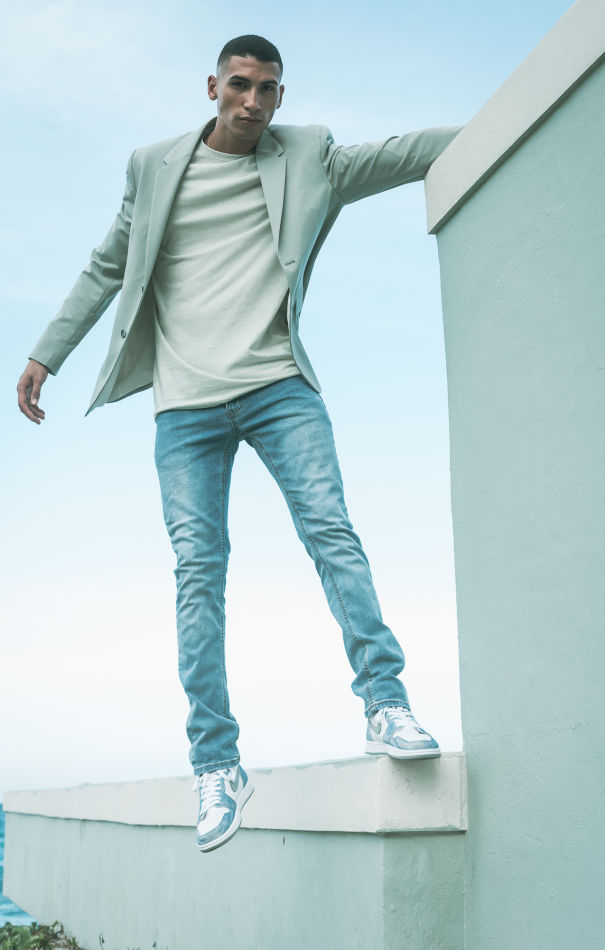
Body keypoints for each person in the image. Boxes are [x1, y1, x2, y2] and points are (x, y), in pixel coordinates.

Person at [17, 35, 461, 853]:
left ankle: (385, 704)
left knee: (332, 534)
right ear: (213, 86)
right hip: (185, 408)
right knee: (198, 575)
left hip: (278, 388)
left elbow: (405, 154)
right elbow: (105, 266)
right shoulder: (154, 168)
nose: (252, 102)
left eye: (267, 90)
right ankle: (216, 764)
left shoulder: (310, 157)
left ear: (281, 98)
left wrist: (510, 119)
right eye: (240, 85)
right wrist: (48, 352)